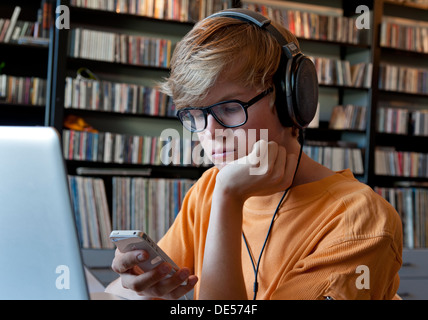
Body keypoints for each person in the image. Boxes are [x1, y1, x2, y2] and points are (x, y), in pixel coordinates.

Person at [105, 8, 403, 300]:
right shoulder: (209, 189)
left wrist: (229, 199)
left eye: (230, 108)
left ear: (291, 100)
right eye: (194, 115)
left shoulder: (359, 220)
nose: (209, 132)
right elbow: (114, 292)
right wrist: (142, 291)